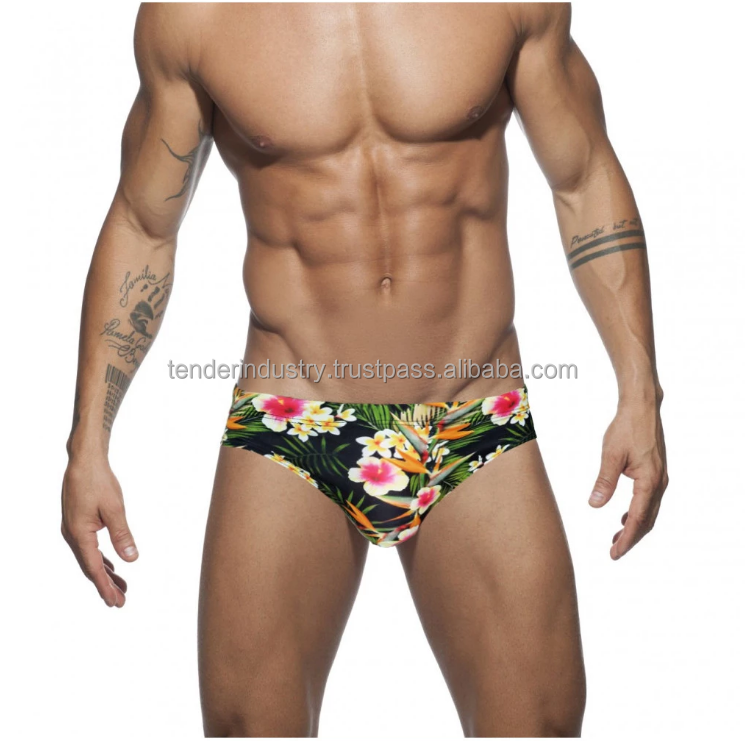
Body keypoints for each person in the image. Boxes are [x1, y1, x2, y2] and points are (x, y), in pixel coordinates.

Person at [61, 3, 668, 737]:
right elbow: (143, 225)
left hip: (470, 410)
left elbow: (583, 177)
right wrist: (88, 444)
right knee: (248, 729)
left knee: (537, 727)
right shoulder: (195, 16)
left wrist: (640, 391)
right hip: (293, 415)